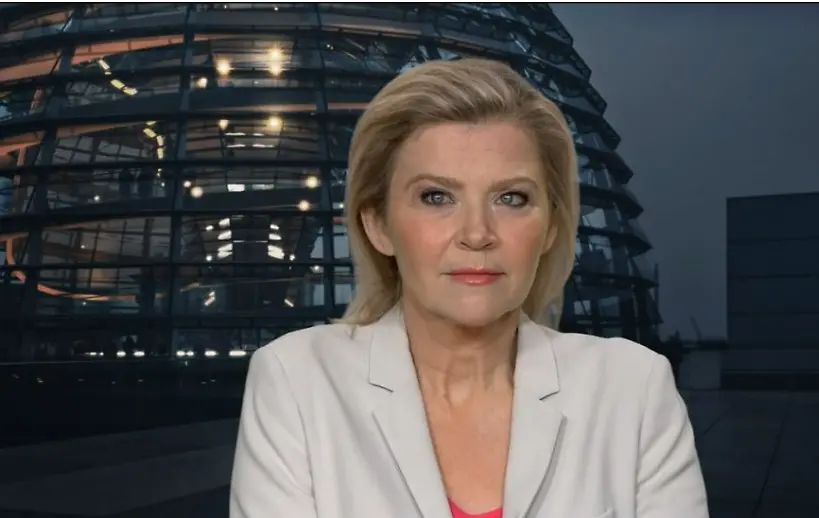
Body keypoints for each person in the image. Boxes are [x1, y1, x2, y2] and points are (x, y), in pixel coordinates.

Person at [229, 58, 708, 518]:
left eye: (511, 198)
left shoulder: (633, 389)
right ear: (378, 224)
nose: (477, 233)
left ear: (551, 227)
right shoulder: (298, 381)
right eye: (436, 197)